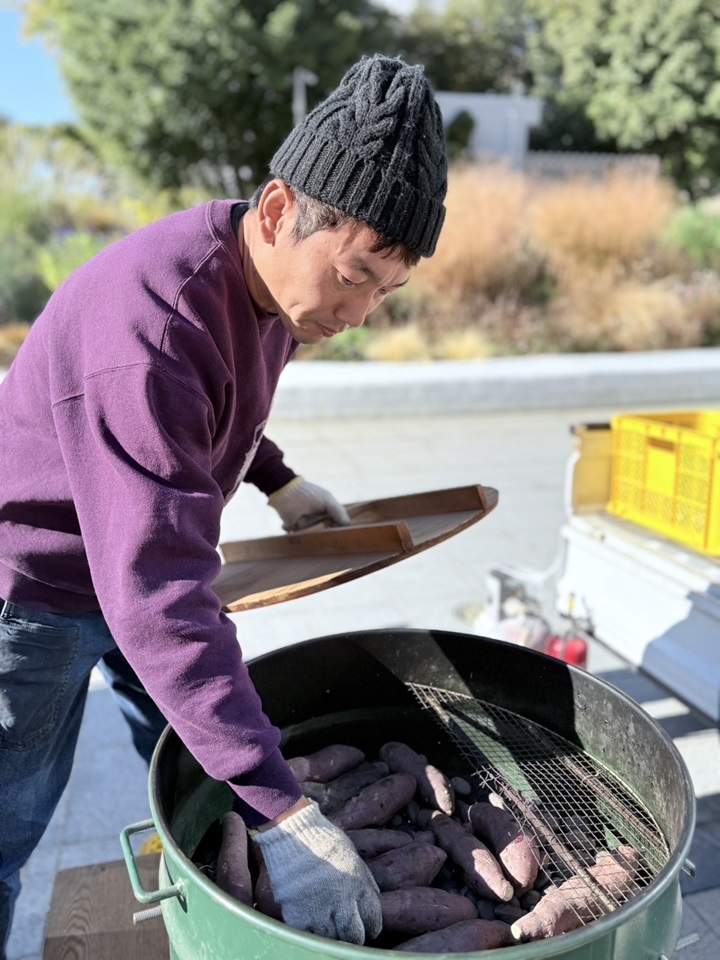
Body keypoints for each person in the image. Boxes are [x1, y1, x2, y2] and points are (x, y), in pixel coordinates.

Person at [0, 53, 447, 954]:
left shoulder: (271, 286)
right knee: (7, 832)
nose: (360, 314)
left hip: (132, 561)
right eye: (357, 275)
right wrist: (286, 814)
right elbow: (157, 596)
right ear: (282, 211)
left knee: (204, 759)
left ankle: (209, 897)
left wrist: (276, 478)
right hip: (36, 590)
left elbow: (213, 405)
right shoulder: (155, 325)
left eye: (387, 292)